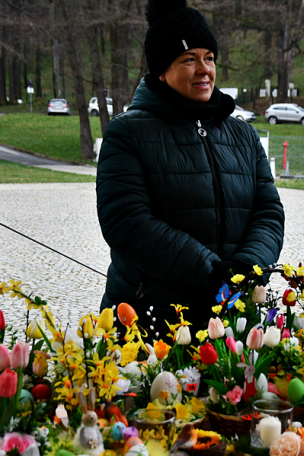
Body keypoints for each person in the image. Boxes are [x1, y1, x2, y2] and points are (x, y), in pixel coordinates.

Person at [96, 0, 285, 337]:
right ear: (161, 71)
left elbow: (267, 210)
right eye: (189, 60)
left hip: (232, 315)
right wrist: (208, 272)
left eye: (209, 58)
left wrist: (245, 270)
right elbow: (126, 221)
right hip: (150, 320)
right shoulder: (127, 132)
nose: (204, 69)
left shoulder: (241, 133)